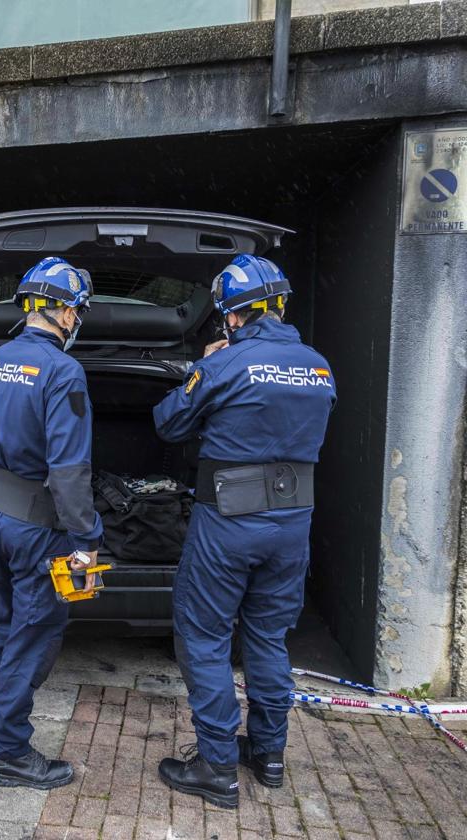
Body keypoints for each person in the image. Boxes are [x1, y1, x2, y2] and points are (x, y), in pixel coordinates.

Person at [153, 254, 336, 809]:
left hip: (228, 522)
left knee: (203, 636)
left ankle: (215, 767)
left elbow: (169, 422)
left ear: (232, 317)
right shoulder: (318, 366)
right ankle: (268, 755)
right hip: (291, 525)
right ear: (279, 305)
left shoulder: (227, 363)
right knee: (268, 638)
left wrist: (200, 370)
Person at [0, 256, 104, 790]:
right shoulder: (63, 371)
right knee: (34, 632)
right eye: (78, 310)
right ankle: (13, 755)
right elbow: (69, 471)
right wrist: (87, 537)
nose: (77, 320)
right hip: (38, 530)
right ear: (65, 311)